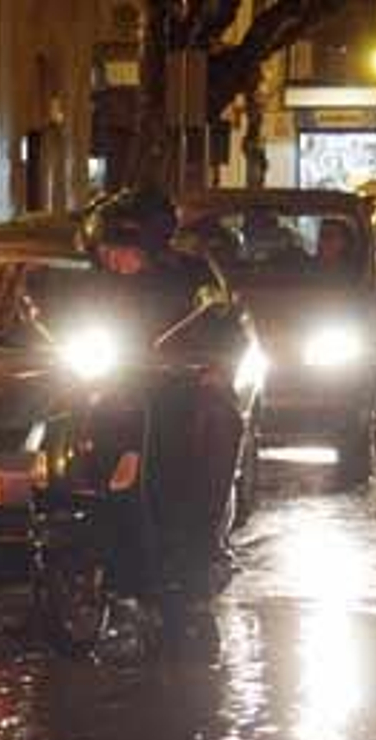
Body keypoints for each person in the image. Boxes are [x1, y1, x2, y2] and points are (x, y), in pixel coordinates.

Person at [69, 186, 247, 602]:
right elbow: (65, 317)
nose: (113, 258)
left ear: (150, 248)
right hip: (112, 385)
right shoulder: (95, 283)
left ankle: (201, 546)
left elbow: (226, 325)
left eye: (123, 250)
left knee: (218, 419)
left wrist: (213, 366)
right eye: (107, 249)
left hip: (177, 389)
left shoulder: (192, 276)